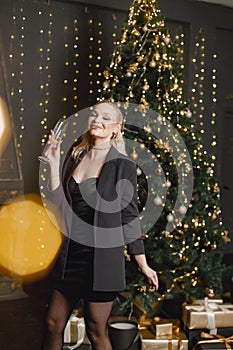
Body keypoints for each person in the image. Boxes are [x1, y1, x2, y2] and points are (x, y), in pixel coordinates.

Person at [41, 101, 158, 350]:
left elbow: (129, 216)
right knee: (53, 323)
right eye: (94, 114)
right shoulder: (75, 155)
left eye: (106, 117)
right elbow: (59, 203)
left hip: (102, 260)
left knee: (96, 331)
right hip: (71, 255)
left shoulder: (123, 166)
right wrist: (52, 163)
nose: (97, 120)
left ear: (117, 127)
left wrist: (142, 263)